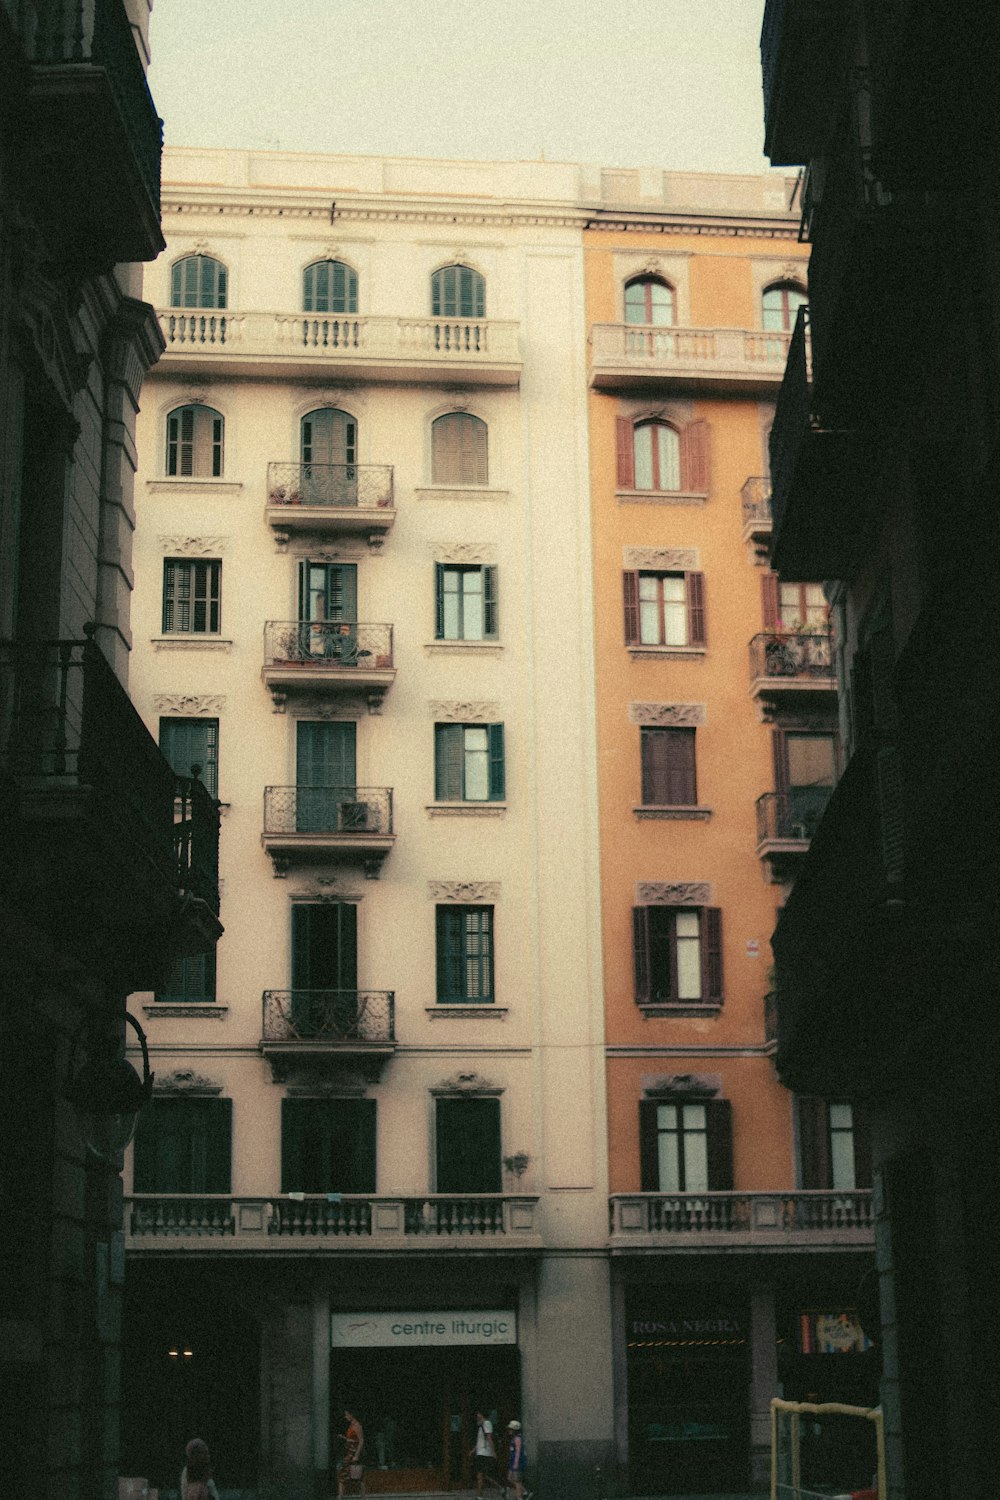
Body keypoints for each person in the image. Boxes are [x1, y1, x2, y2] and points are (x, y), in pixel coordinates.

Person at [338, 1408, 365, 1499]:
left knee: (356, 1475)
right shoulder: (351, 1425)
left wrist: (357, 1455)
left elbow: (361, 1441)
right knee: (343, 1474)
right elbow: (352, 1439)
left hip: (353, 1454)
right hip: (348, 1452)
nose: (346, 1417)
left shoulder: (357, 1426)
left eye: (347, 1415)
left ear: (351, 1414)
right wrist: (345, 1438)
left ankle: (362, 1496)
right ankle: (341, 1496)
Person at [470, 1410, 499, 1495]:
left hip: (484, 1453)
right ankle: (500, 1489)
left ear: (482, 1415)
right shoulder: (481, 1426)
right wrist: (473, 1450)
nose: (477, 1416)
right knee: (482, 1475)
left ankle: (480, 1495)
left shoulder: (487, 1424)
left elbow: (489, 1438)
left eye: (478, 1414)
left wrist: (493, 1452)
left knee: (480, 1475)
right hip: (480, 1452)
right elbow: (480, 1440)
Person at [505, 1420, 531, 1500]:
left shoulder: (517, 1439)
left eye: (511, 1429)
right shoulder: (514, 1438)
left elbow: (518, 1451)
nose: (509, 1431)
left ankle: (519, 1497)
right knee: (510, 1478)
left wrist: (516, 1463)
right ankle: (525, 1491)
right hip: (513, 1461)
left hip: (517, 1462)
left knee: (517, 1481)